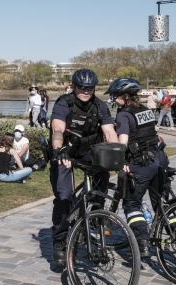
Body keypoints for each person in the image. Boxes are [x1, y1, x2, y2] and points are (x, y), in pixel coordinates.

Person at [48, 69, 119, 265]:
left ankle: (95, 211)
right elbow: (58, 128)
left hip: (89, 151)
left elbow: (109, 131)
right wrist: (58, 149)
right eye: (82, 87)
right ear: (74, 86)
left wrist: (117, 153)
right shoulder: (64, 103)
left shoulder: (100, 106)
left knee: (103, 175)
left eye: (90, 88)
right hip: (65, 151)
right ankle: (60, 239)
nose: (86, 91)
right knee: (63, 196)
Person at [105, 78, 169, 258]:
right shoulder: (146, 110)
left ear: (124, 96)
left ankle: (142, 242)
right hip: (160, 158)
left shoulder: (124, 114)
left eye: (115, 96)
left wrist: (119, 159)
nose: (113, 100)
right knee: (160, 203)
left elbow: (123, 142)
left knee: (132, 203)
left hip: (142, 162)